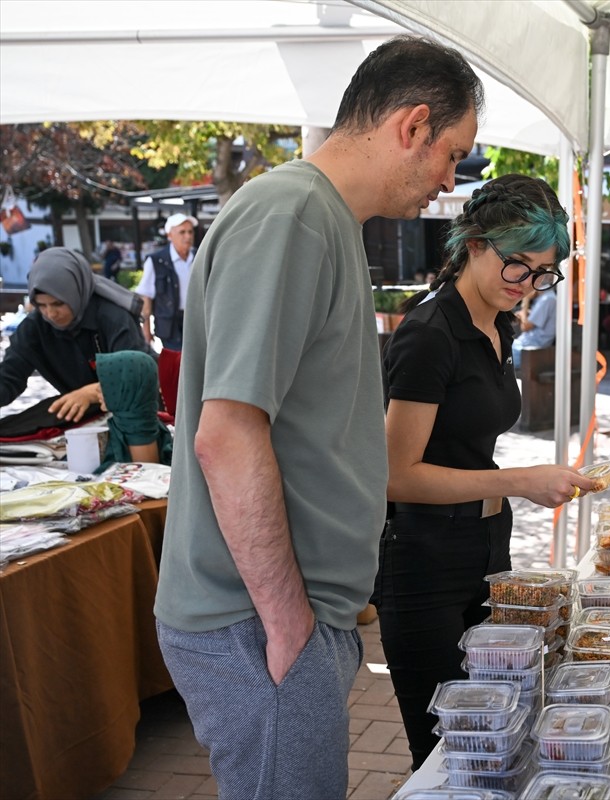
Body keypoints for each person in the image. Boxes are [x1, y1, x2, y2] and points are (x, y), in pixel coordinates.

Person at [153, 35, 484, 799]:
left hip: (276, 620)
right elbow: (227, 435)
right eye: (452, 154)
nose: (449, 180)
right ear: (412, 125)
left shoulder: (317, 217)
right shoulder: (294, 214)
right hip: (257, 621)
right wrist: (288, 623)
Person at [377, 174, 594, 768]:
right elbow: (397, 476)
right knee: (451, 750)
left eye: (543, 272)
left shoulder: (495, 322)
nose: (527, 285)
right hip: (421, 561)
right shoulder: (429, 335)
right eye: (517, 266)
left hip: (480, 548)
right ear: (473, 244)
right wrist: (520, 480)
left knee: (499, 727)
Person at [0, 247, 153, 421]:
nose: (51, 314)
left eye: (58, 303)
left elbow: (136, 376)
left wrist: (92, 392)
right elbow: (9, 378)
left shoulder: (113, 317)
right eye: (42, 305)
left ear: (76, 293)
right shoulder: (35, 327)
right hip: (85, 421)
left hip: (136, 416)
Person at [137, 212, 196, 415]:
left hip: (195, 319)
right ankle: (176, 407)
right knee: (175, 363)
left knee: (194, 362)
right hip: (169, 320)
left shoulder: (199, 256)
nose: (187, 236)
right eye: (182, 232)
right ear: (170, 235)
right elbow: (146, 295)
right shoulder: (156, 260)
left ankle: (191, 404)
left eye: (190, 231)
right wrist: (146, 327)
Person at [94, 350, 173, 468]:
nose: (98, 389)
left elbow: (145, 475)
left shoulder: (138, 432)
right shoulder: (128, 424)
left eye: (110, 383)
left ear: (126, 388)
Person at [512, 281, 556, 371]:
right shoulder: (545, 299)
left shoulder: (547, 299)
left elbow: (525, 327)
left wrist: (526, 301)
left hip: (530, 349)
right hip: (525, 345)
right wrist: (525, 314)